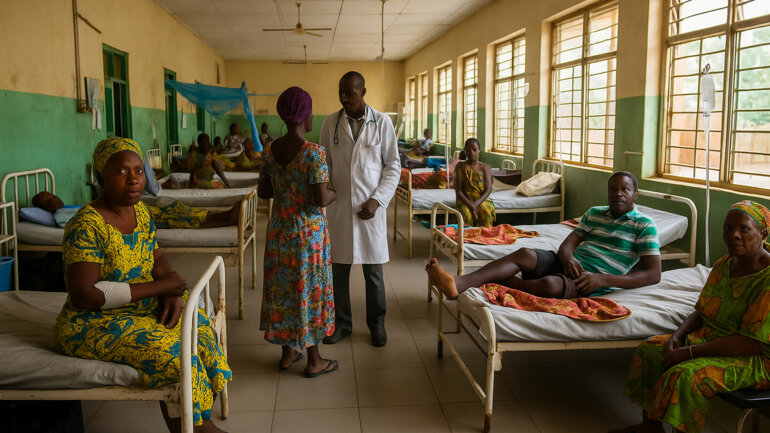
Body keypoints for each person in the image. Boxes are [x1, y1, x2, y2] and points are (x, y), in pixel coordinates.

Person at [54, 137, 231, 433]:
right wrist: (162, 289)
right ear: (101, 177)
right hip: (92, 321)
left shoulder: (141, 213)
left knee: (200, 331)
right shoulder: (86, 225)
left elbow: (158, 260)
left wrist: (172, 294)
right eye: (122, 172)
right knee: (173, 355)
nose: (134, 179)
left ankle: (197, 419)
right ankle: (198, 429)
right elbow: (85, 295)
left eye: (138, 170)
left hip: (138, 308)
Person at [610, 201, 770, 433]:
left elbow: (749, 341)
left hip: (754, 359)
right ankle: (650, 427)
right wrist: (676, 337)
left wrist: (689, 353)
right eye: (728, 228)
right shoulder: (724, 264)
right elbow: (701, 311)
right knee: (652, 349)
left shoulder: (766, 278)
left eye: (744, 229)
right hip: (713, 340)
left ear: (763, 233)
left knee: (685, 375)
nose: (734, 235)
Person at [428, 171, 662, 299]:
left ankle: (493, 281)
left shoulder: (644, 225)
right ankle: (458, 283)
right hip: (569, 265)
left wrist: (603, 279)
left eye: (625, 189)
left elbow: (654, 274)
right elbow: (568, 243)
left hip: (592, 279)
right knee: (525, 253)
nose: (618, 194)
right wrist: (568, 258)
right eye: (613, 189)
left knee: (550, 285)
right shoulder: (595, 213)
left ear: (635, 195)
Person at [258, 86, 338, 377]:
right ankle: (314, 360)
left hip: (279, 232)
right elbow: (320, 198)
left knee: (284, 290)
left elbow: (265, 190)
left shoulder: (270, 151)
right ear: (305, 116)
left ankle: (287, 352)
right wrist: (333, 192)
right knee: (309, 291)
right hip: (307, 238)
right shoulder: (314, 153)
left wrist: (286, 190)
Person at [319, 71, 400, 347]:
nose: (344, 99)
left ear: (363, 92)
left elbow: (393, 165)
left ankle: (377, 324)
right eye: (341, 93)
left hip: (370, 209)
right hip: (340, 209)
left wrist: (378, 199)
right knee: (338, 271)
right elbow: (324, 165)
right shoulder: (330, 124)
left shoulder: (382, 123)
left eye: (350, 94)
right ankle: (342, 324)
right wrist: (326, 192)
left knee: (373, 274)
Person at [32, 190, 241, 229]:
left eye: (51, 195)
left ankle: (225, 215)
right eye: (47, 202)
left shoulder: (70, 206)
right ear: (45, 209)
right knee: (175, 216)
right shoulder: (62, 215)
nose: (54, 200)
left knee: (177, 210)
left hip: (130, 213)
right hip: (130, 220)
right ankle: (226, 218)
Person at [454, 138, 494, 227]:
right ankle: (467, 237)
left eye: (474, 149)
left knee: (486, 211)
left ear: (479, 150)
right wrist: (470, 205)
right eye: (468, 150)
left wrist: (476, 203)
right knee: (466, 214)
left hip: (480, 199)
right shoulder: (460, 167)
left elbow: (488, 189)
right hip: (464, 200)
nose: (471, 152)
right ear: (465, 151)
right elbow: (458, 191)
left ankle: (484, 236)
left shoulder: (485, 167)